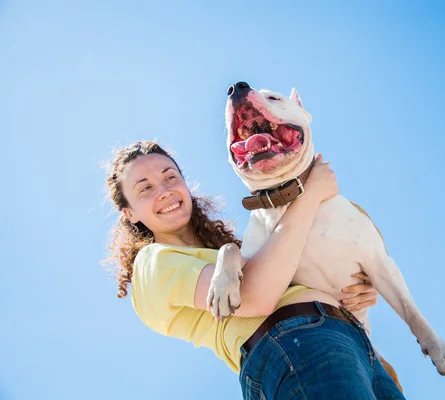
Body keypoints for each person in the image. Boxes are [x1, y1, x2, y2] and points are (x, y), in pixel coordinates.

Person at [104, 141, 406, 400]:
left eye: (171, 177)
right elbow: (255, 297)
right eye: (145, 188)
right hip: (296, 345)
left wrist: (354, 290)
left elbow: (300, 268)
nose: (165, 191)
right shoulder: (153, 263)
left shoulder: (240, 251)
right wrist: (309, 195)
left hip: (349, 342)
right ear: (129, 213)